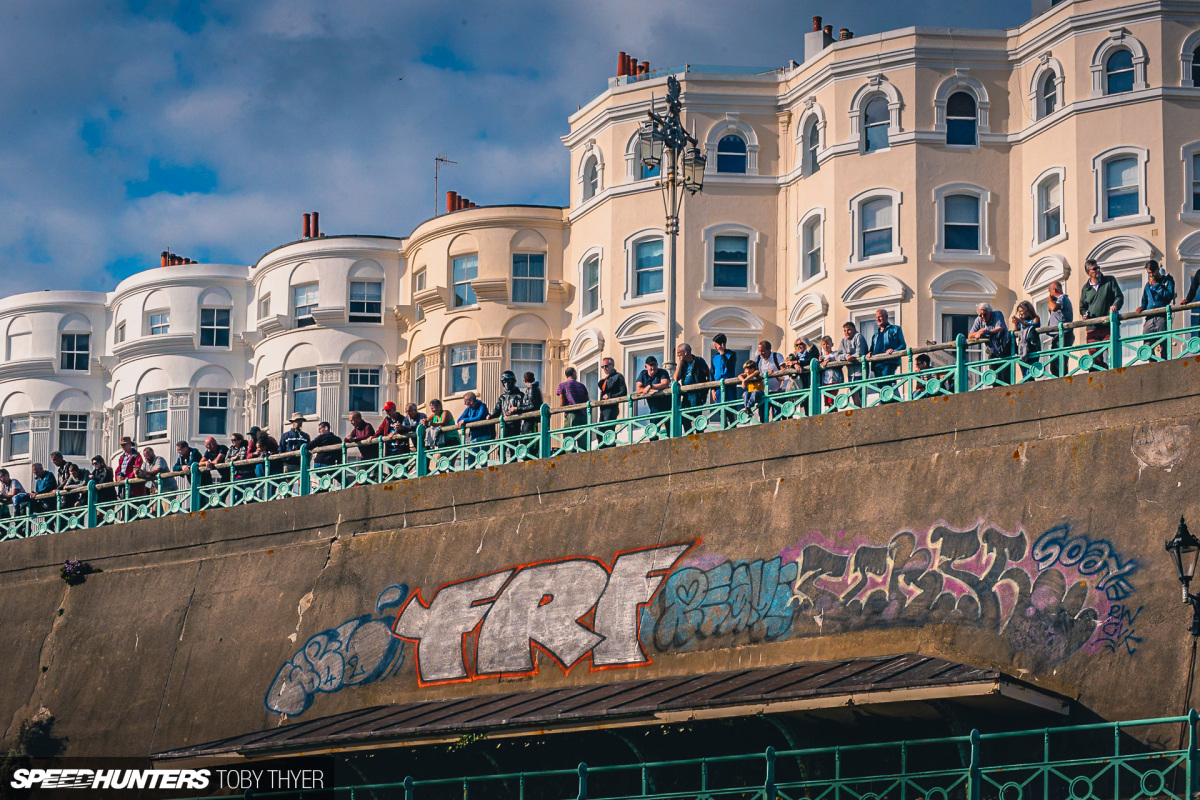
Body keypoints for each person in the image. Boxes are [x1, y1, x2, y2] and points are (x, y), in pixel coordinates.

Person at [1079, 259, 1125, 370]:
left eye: (1098, 267)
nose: (1098, 270)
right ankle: (1100, 376)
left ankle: (1114, 374)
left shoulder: (1109, 281)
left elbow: (1119, 297)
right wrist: (1084, 314)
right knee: (1095, 359)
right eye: (1094, 269)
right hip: (1092, 328)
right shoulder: (1086, 289)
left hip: (1108, 325)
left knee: (1113, 353)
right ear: (1088, 272)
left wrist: (1115, 306)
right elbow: (1082, 307)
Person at [1135, 259, 1175, 360]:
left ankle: (1165, 363)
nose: (1151, 275)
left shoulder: (1168, 281)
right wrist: (1142, 307)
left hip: (1161, 316)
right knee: (1147, 343)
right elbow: (1145, 299)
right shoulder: (1147, 286)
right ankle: (1152, 363)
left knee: (1164, 342)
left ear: (1157, 269)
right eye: (1149, 273)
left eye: (1153, 272)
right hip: (1149, 317)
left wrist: (1157, 286)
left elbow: (1169, 296)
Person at [968, 302, 1012, 385]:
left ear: (990, 312)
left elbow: (1000, 328)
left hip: (1004, 348)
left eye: (985, 314)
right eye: (980, 315)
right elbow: (970, 335)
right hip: (992, 350)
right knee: (993, 375)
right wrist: (978, 333)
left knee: (1005, 376)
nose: (982, 317)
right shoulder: (978, 320)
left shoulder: (997, 314)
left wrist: (986, 331)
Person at [869, 309, 907, 402]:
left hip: (889, 361)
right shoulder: (875, 334)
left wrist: (894, 350)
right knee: (881, 386)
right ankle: (888, 402)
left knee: (886, 384)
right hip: (876, 364)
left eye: (880, 317)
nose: (878, 319)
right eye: (876, 317)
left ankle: (886, 403)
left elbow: (903, 345)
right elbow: (872, 348)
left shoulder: (895, 329)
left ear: (886, 317)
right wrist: (870, 353)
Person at [1046, 280, 1075, 377]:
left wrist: (1049, 300)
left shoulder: (1062, 298)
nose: (1049, 294)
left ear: (1054, 289)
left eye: (1050, 291)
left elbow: (1054, 308)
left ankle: (1062, 382)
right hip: (1059, 335)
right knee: (1055, 362)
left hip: (1063, 335)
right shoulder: (1061, 300)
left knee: (1059, 363)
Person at [597, 357, 627, 447]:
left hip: (611, 408)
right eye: (603, 367)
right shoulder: (606, 379)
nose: (605, 368)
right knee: (600, 433)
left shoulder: (618, 376)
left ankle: (609, 449)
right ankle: (602, 450)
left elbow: (624, 392)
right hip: (603, 409)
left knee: (608, 430)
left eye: (606, 366)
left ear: (612, 365)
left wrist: (610, 396)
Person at [1012, 301, 1043, 381]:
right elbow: (1016, 330)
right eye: (1019, 312)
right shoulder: (1021, 321)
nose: (1020, 313)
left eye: (1022, 311)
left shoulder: (1036, 317)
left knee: (1031, 371)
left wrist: (1020, 321)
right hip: (1023, 348)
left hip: (1033, 348)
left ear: (1028, 310)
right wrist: (1016, 323)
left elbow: (1033, 324)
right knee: (1024, 372)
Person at [673, 343, 711, 408]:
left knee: (694, 416)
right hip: (686, 394)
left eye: (679, 353)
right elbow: (676, 378)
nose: (677, 355)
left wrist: (705, 391)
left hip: (696, 394)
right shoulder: (683, 364)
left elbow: (708, 374)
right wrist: (680, 363)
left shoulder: (698, 361)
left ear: (685, 352)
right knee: (684, 416)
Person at [490, 371, 525, 437]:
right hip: (504, 426)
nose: (506, 384)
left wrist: (513, 412)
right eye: (504, 382)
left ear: (513, 382)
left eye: (508, 381)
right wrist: (491, 416)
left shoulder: (520, 395)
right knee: (502, 446)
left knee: (513, 446)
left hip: (515, 426)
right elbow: (497, 411)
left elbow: (522, 409)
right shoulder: (502, 397)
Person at [710, 333, 740, 404]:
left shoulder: (731, 354)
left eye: (716, 346)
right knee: (720, 410)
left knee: (730, 410)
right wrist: (713, 390)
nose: (715, 348)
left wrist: (722, 352)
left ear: (722, 344)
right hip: (718, 387)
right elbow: (711, 373)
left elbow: (728, 366)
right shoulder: (715, 357)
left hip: (729, 386)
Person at [818, 335, 843, 405]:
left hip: (835, 380)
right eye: (824, 344)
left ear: (832, 344)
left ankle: (834, 414)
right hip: (825, 381)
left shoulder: (835, 354)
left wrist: (828, 361)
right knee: (827, 402)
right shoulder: (822, 357)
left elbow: (838, 359)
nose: (826, 346)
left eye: (828, 344)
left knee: (832, 400)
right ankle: (830, 414)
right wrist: (820, 362)